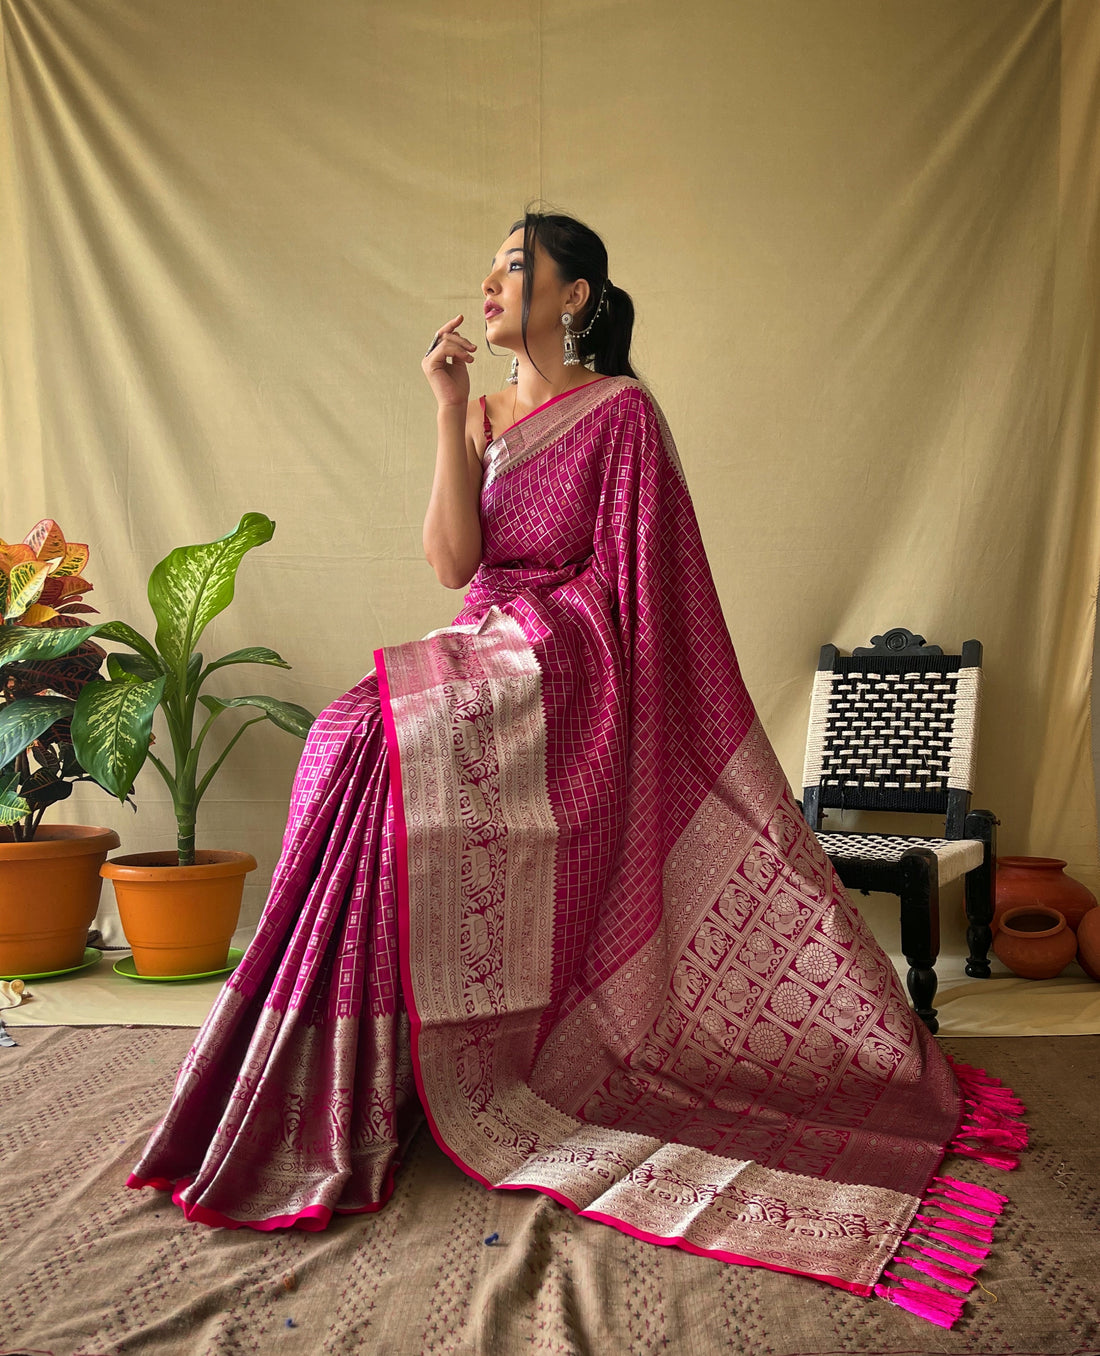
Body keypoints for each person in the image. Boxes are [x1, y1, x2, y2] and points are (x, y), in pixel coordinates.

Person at [129, 210, 1024, 1327]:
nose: (494, 280)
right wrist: (449, 410)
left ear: (575, 298)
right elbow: (455, 562)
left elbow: (644, 585)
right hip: (485, 638)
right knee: (347, 735)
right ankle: (353, 1074)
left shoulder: (621, 416)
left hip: (572, 656)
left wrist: (552, 640)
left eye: (519, 264)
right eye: (492, 263)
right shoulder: (485, 412)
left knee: (383, 735)